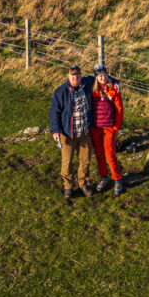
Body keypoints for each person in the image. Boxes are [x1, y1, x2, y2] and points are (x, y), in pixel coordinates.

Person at [49, 64, 95, 198]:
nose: (76, 78)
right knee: (67, 162)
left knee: (85, 161)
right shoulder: (60, 92)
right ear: (68, 76)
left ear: (81, 76)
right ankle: (68, 187)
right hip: (67, 134)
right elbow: (54, 112)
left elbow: (101, 77)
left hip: (85, 132)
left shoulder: (86, 84)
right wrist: (56, 130)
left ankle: (83, 184)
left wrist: (115, 82)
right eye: (73, 76)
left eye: (78, 75)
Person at [90, 64, 125, 195]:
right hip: (96, 128)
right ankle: (104, 177)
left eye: (104, 74)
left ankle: (117, 179)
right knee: (99, 154)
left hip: (109, 128)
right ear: (96, 77)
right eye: (99, 76)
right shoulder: (92, 90)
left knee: (110, 154)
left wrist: (116, 128)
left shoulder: (114, 90)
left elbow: (119, 111)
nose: (102, 77)